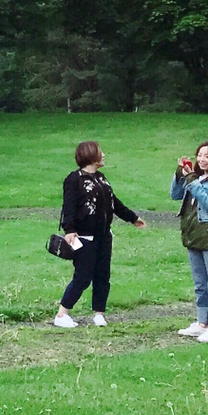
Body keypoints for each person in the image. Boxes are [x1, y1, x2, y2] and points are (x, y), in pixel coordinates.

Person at [52, 140, 146, 329]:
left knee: (103, 275)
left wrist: (132, 218)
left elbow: (114, 202)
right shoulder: (74, 179)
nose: (103, 155)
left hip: (104, 236)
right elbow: (68, 206)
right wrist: (69, 229)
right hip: (84, 238)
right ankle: (62, 314)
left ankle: (99, 314)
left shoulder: (102, 178)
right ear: (90, 154)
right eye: (100, 152)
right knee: (83, 276)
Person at [171, 140, 208, 343]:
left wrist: (192, 180)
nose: (202, 160)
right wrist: (180, 174)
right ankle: (202, 322)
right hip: (192, 234)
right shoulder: (194, 178)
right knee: (200, 283)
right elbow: (175, 195)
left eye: (207, 156)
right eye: (199, 155)